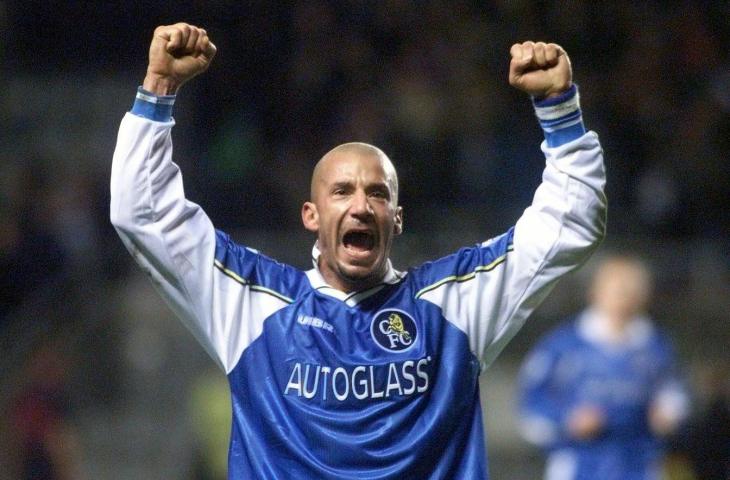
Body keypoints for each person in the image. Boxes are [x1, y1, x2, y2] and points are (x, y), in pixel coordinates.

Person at [110, 22, 607, 479]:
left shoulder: (453, 304)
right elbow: (143, 214)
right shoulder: (251, 301)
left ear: (398, 218)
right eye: (342, 191)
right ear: (311, 215)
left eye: (378, 193)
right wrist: (158, 88)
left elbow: (571, 223)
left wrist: (560, 108)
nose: (362, 206)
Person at [516, 255, 689, 480]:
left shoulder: (656, 346)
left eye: (632, 290)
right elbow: (530, 406)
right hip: (579, 466)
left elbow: (676, 393)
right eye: (618, 289)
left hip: (640, 465)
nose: (624, 298)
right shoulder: (563, 345)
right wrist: (568, 421)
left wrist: (669, 413)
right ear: (596, 290)